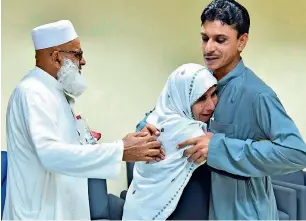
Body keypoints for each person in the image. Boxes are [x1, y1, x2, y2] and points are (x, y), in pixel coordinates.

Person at [137, 0, 306, 219]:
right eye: (205, 38)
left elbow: (295, 153)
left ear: (242, 41)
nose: (209, 48)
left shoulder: (256, 94)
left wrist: (218, 147)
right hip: (189, 207)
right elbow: (163, 113)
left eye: (220, 40)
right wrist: (145, 129)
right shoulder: (193, 81)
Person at [3, 20, 164, 220]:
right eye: (77, 54)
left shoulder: (54, 93)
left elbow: (70, 151)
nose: (83, 61)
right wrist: (120, 150)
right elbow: (51, 154)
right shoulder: (32, 92)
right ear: (55, 57)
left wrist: (126, 144)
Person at [122, 63, 217, 220]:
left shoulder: (158, 117)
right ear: (182, 98)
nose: (211, 105)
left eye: (214, 94)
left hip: (140, 208)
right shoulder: (191, 133)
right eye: (201, 98)